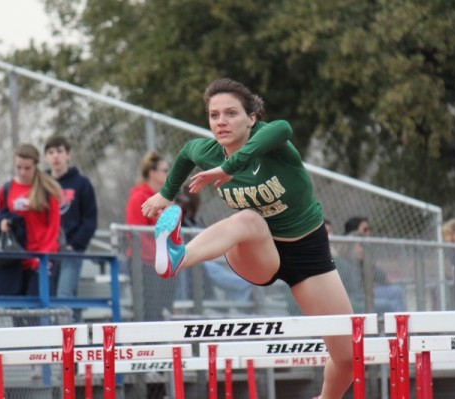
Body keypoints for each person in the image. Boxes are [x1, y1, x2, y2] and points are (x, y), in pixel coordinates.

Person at [141, 78, 354, 399]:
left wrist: (232, 165)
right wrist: (166, 194)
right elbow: (186, 151)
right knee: (249, 220)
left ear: (252, 117)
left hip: (308, 254)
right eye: (214, 116)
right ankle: (176, 257)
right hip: (256, 253)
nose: (221, 122)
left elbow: (282, 127)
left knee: (348, 357)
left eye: (231, 113)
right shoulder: (207, 151)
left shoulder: (273, 142)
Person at [0, 144, 62, 317]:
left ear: (36, 165)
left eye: (27, 168)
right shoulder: (6, 190)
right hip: (16, 258)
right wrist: (2, 223)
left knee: (37, 313)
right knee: (17, 314)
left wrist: (44, 257)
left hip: (40, 259)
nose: (22, 172)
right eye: (19, 167)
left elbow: (53, 228)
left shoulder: (47, 190)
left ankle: (42, 345)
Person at [44, 135, 98, 323]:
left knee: (64, 294)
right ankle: (59, 341)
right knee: (48, 297)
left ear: (68, 155)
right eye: (51, 152)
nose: (55, 157)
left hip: (71, 250)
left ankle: (69, 344)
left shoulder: (81, 183)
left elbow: (90, 219)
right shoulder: (42, 183)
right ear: (46, 157)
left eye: (59, 151)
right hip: (46, 251)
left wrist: (74, 245)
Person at [174, 187, 253, 303]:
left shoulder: (196, 219)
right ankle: (242, 285)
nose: (181, 205)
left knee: (219, 264)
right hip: (190, 259)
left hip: (204, 256)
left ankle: (243, 290)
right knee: (211, 268)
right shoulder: (180, 219)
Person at [125, 150, 177, 321]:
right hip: (145, 264)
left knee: (165, 308)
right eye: (164, 170)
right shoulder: (139, 196)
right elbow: (137, 233)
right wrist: (157, 255)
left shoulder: (166, 198)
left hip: (165, 262)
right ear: (152, 173)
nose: (168, 173)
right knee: (150, 310)